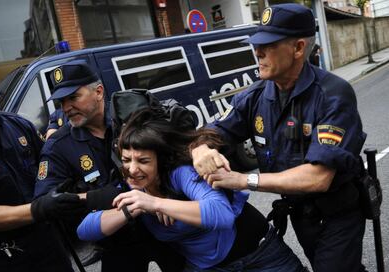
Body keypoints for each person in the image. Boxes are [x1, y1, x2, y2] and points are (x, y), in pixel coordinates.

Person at [189, 3, 367, 272]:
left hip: (337, 214)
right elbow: (214, 133)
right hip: (300, 214)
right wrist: (199, 148)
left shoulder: (332, 95)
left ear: (297, 48)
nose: (257, 52)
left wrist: (243, 180)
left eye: (268, 45)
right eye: (256, 44)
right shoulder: (256, 96)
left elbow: (318, 178)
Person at [77, 108, 306, 272]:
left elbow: (221, 214)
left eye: (143, 160)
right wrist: (130, 210)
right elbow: (85, 230)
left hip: (258, 255)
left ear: (161, 160)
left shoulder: (180, 173)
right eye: (126, 159)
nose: (133, 169)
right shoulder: (130, 186)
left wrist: (157, 203)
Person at [33, 59, 185, 272]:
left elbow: (176, 153)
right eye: (61, 102)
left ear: (98, 91)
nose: (66, 108)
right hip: (116, 241)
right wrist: (89, 198)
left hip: (165, 226)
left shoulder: (134, 116)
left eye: (73, 97)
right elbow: (46, 200)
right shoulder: (58, 145)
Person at [0, 52, 74, 271]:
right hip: (2, 254)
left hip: (47, 241)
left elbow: (50, 167)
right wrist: (38, 209)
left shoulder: (18, 125)